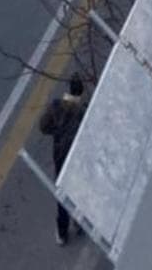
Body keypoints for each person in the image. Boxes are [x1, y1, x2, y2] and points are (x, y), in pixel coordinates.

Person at [39, 74, 87, 244]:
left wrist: (58, 134)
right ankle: (80, 222)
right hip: (77, 156)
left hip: (60, 154)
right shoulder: (83, 112)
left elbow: (43, 127)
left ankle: (62, 232)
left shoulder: (56, 106)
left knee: (63, 194)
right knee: (80, 190)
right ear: (81, 92)